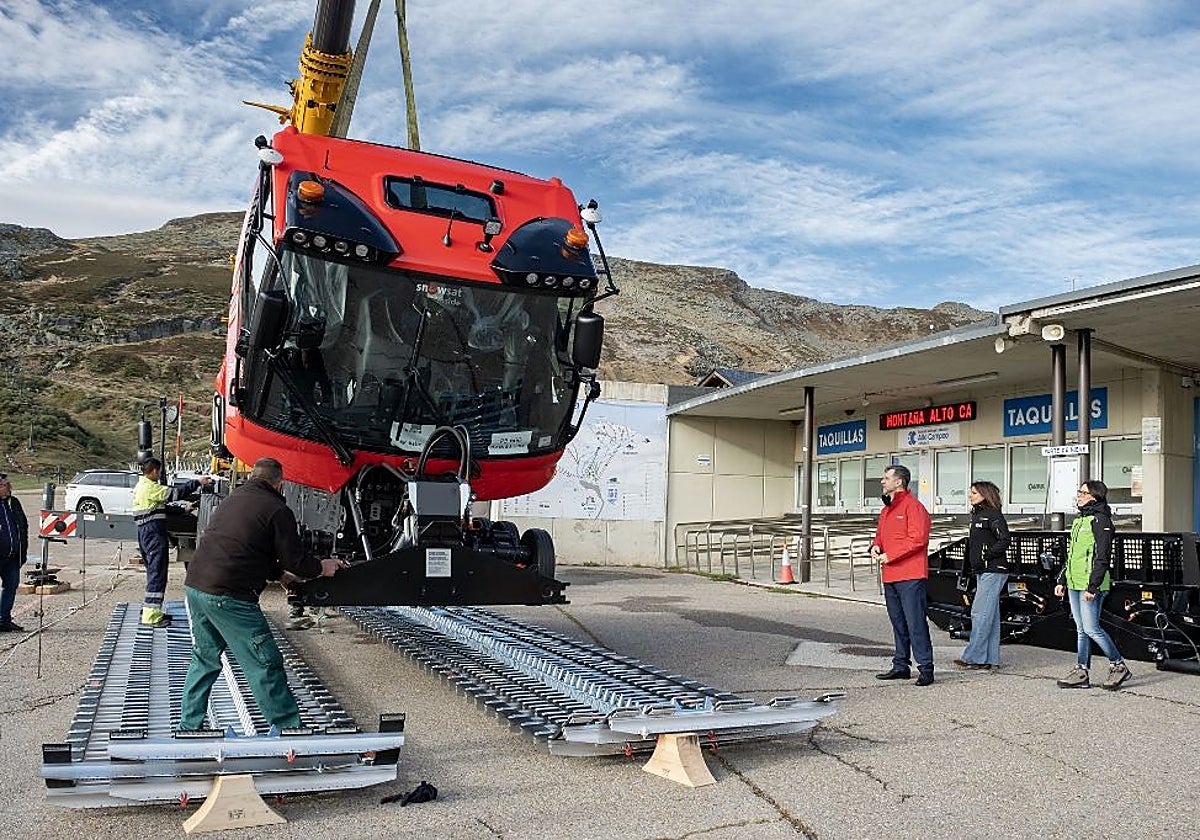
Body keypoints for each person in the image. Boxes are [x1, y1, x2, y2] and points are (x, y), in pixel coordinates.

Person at [178, 457, 347, 733]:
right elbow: (296, 560)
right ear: (279, 483)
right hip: (229, 595)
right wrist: (323, 568)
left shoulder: (234, 499)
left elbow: (251, 546)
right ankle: (289, 730)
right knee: (264, 663)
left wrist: (280, 576)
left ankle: (189, 727)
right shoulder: (276, 509)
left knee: (204, 660)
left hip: (196, 587)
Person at [1055, 480, 1131, 690]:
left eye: (1082, 492)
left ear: (1094, 496)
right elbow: (1072, 556)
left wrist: (1092, 587)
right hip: (1074, 582)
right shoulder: (1082, 521)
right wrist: (1062, 580)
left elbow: (1102, 557)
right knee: (1082, 629)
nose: (1078, 495)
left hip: (1091, 584)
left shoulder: (1100, 521)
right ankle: (1081, 672)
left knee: (1091, 628)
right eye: (1078, 491)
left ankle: (1118, 666)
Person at [871, 465, 936, 685]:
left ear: (899, 482)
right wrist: (875, 547)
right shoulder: (886, 509)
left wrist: (892, 555)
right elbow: (880, 535)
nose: (882, 481)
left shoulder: (914, 507)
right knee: (898, 623)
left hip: (910, 576)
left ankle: (926, 668)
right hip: (890, 576)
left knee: (915, 623)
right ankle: (901, 665)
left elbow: (918, 539)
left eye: (886, 477)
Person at [132, 458, 210, 627]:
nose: (159, 475)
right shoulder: (150, 487)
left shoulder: (142, 487)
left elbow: (161, 507)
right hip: (153, 534)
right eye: (158, 472)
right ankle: (151, 616)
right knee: (157, 574)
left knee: (154, 573)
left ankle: (151, 610)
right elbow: (174, 494)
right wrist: (197, 482)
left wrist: (183, 509)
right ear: (154, 471)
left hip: (146, 533)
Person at [953, 480, 1011, 670]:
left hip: (993, 570)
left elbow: (1004, 539)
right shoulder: (978, 516)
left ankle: (973, 657)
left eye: (974, 493)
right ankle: (990, 659)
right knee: (990, 616)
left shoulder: (992, 516)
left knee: (979, 613)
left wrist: (987, 556)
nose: (970, 496)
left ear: (985, 495)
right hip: (983, 570)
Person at [0, 474, 29, 632]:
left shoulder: (13, 503)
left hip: (12, 557)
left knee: (10, 587)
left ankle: (4, 621)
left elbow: (23, 526)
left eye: (8, 484)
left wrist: (23, 551)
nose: (9, 487)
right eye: (5, 485)